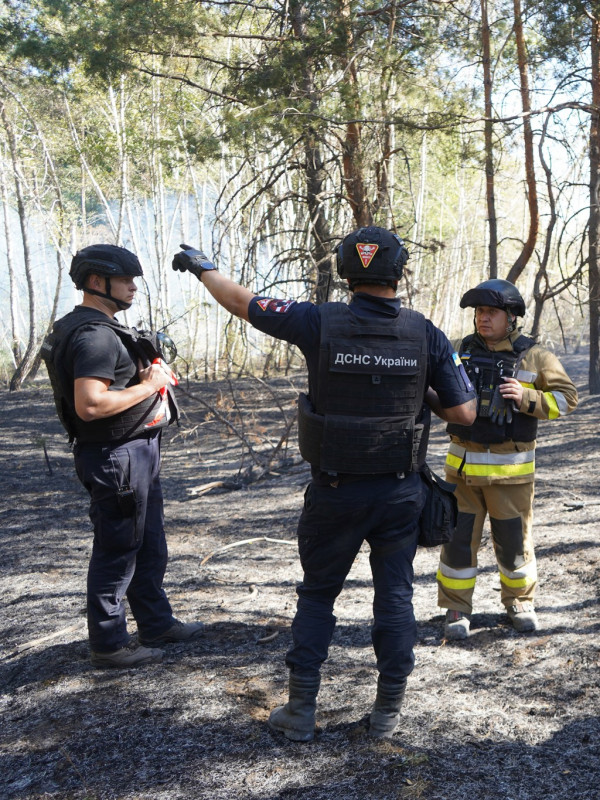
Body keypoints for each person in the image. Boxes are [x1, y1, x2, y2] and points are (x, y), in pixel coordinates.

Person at [173, 229, 475, 741]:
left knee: (317, 597)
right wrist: (416, 383)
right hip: (400, 492)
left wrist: (202, 265)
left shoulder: (317, 321)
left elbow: (240, 301)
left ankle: (300, 713)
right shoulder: (424, 333)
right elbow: (464, 412)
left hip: (335, 491)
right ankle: (387, 714)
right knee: (395, 598)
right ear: (399, 273)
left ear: (345, 272)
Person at [41, 244, 202, 669]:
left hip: (135, 451)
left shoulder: (99, 327)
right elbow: (90, 405)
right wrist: (151, 386)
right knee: (117, 550)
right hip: (116, 458)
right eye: (126, 280)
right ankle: (109, 644)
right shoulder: (94, 335)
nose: (133, 287)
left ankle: (156, 623)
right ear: (97, 282)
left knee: (149, 544)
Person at [437, 279, 578, 639]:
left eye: (491, 312)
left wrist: (527, 397)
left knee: (514, 544)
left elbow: (567, 400)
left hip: (511, 475)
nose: (483, 319)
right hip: (462, 473)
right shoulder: (458, 350)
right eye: (479, 312)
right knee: (457, 542)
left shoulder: (536, 356)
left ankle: (520, 603)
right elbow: (434, 388)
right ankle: (456, 608)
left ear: (511, 317)